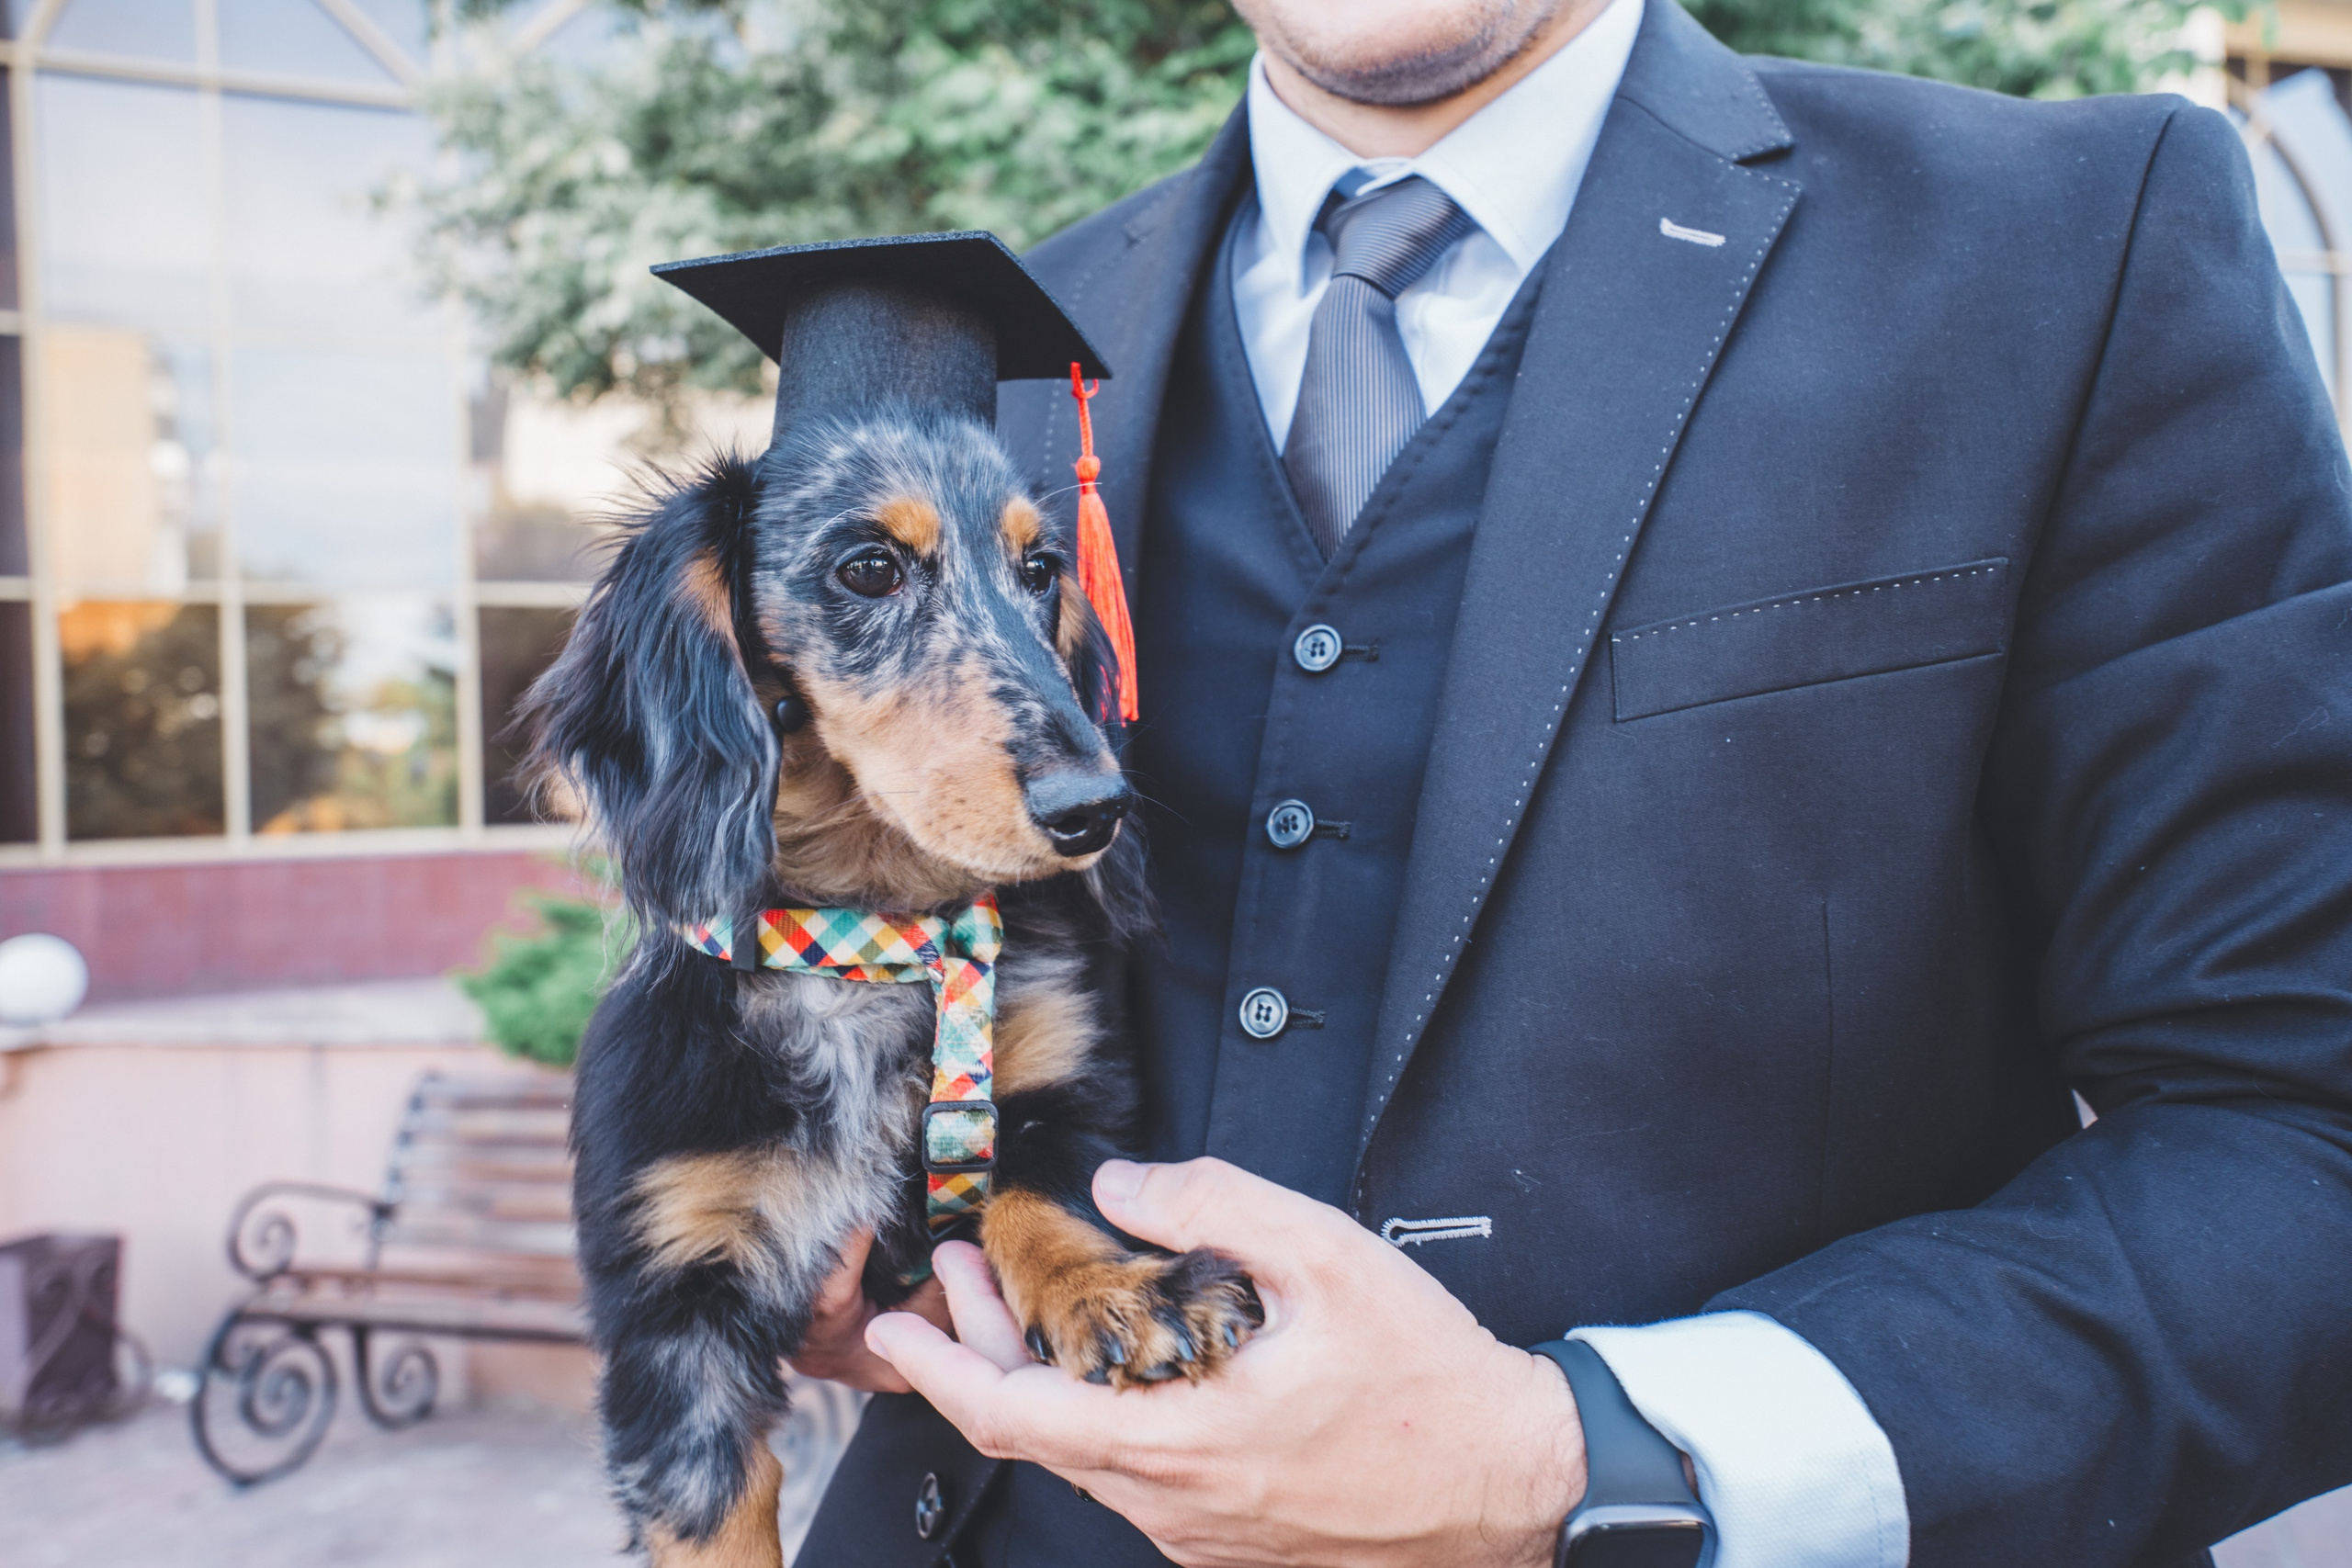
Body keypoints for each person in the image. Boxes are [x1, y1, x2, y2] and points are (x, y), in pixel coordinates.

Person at [785, 0, 2352, 1563]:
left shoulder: (2074, 238)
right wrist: (846, 1226)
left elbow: (2300, 1133)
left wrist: (1588, 1456)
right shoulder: (971, 354)